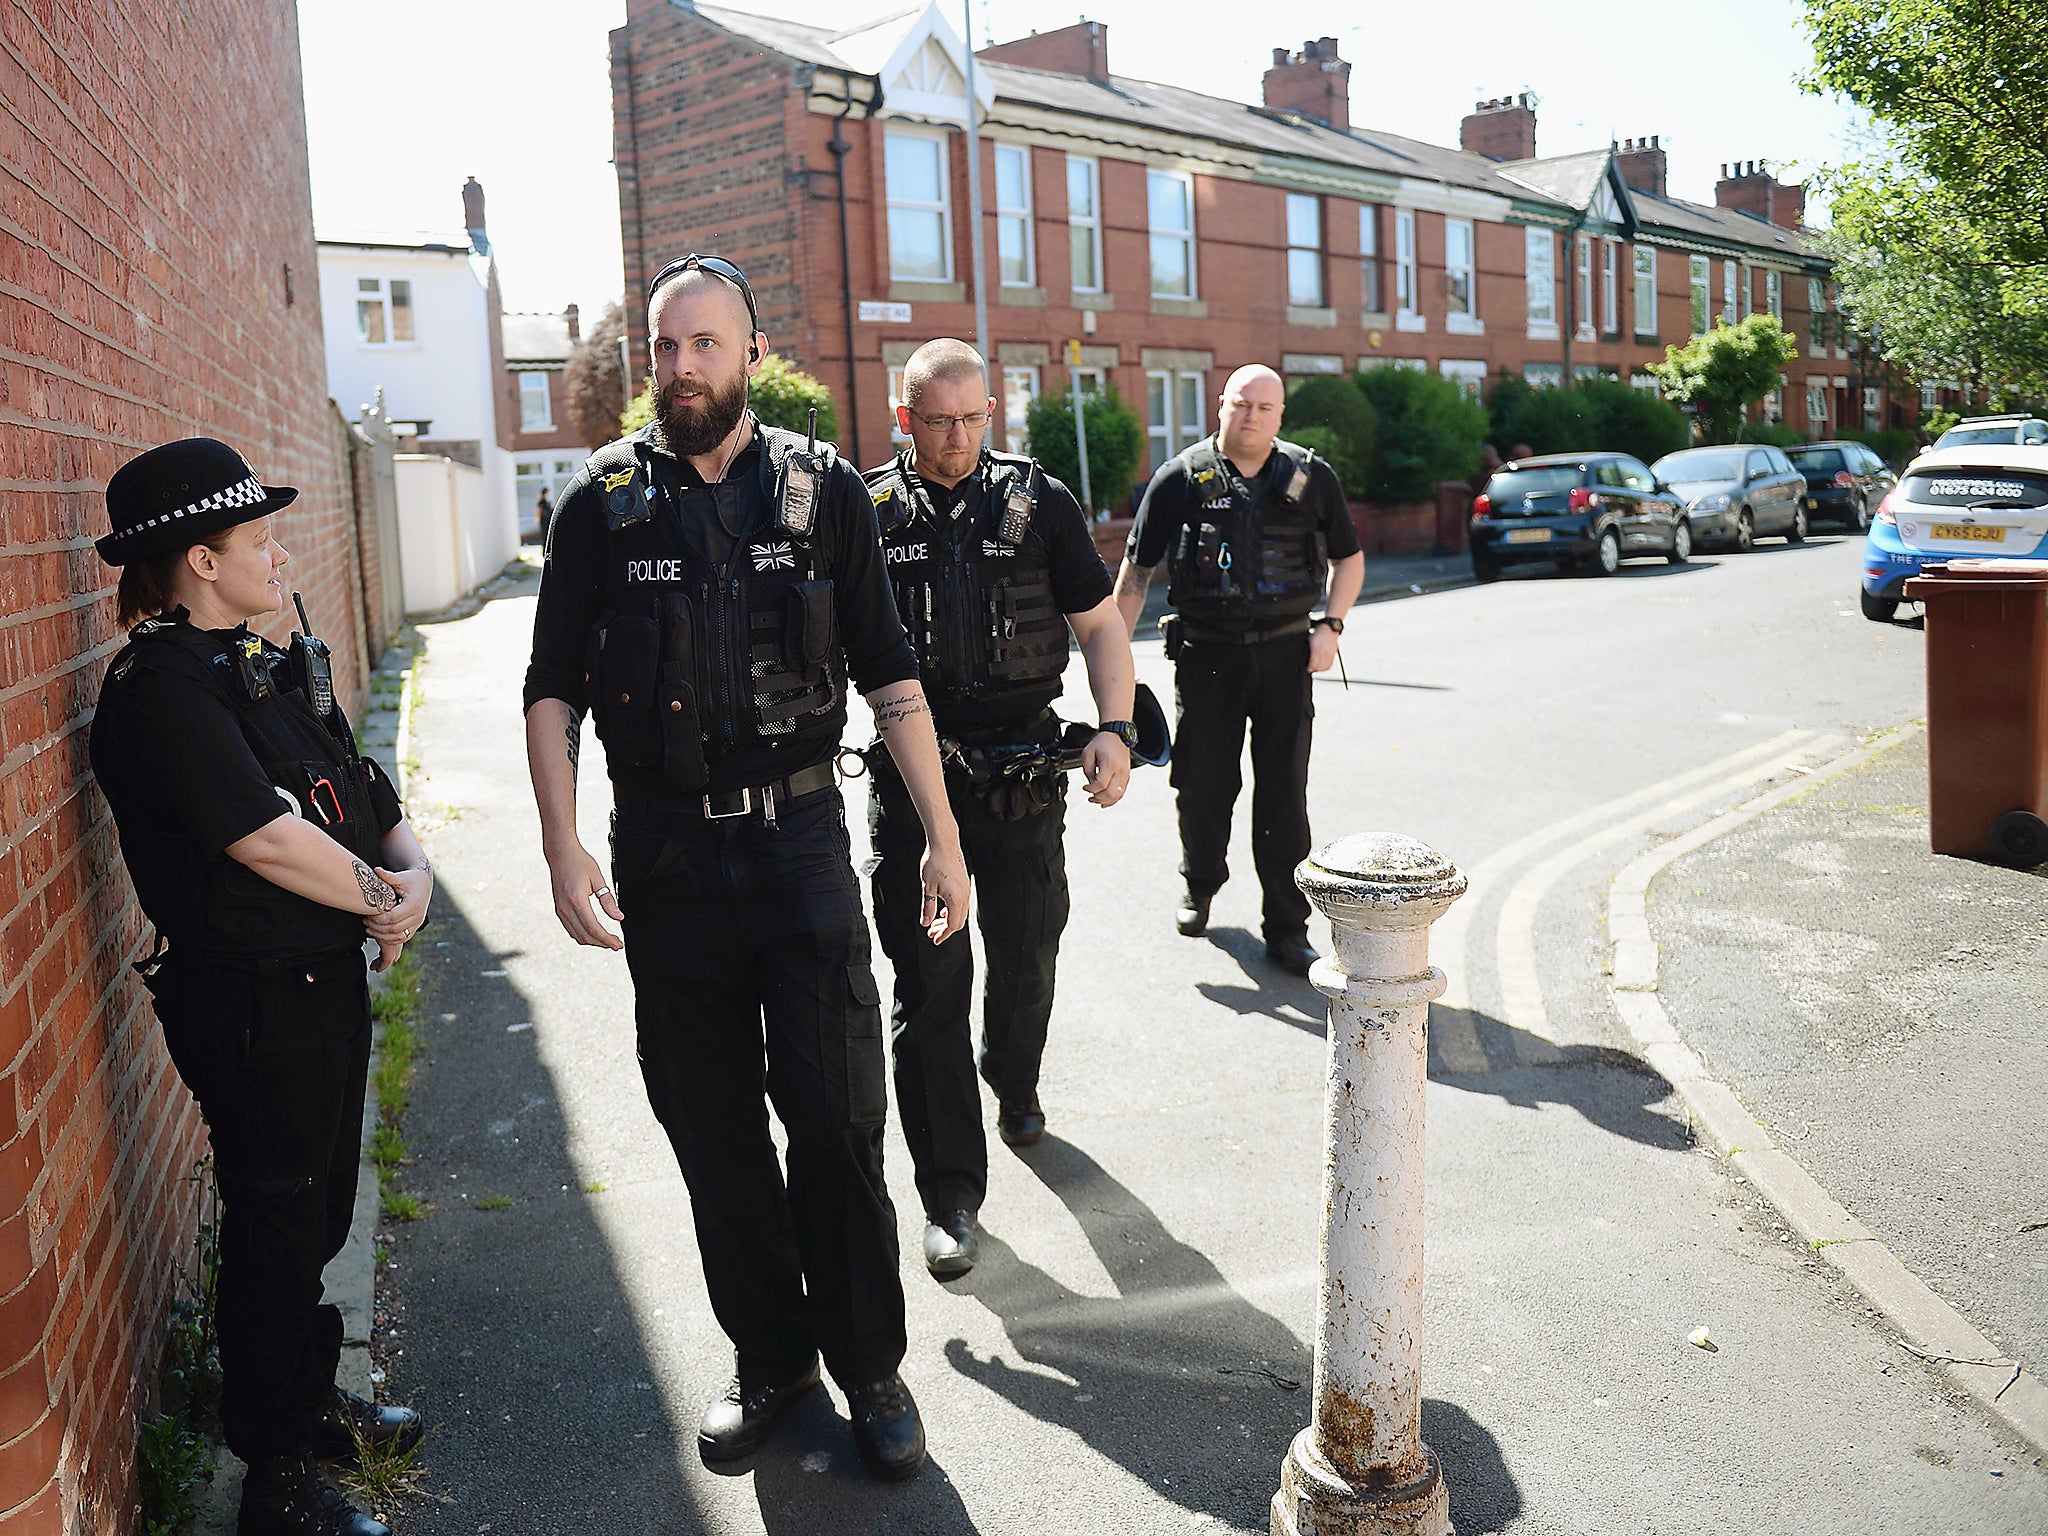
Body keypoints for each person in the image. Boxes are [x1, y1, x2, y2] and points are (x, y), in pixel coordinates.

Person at [522, 254, 969, 1480]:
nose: (678, 370)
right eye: (662, 350)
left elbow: (889, 676)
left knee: (833, 1120)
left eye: (701, 347)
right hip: (664, 855)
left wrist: (941, 834)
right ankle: (770, 1359)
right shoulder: (601, 505)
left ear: (749, 353)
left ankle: (870, 1367)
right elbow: (551, 687)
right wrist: (561, 846)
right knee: (709, 1124)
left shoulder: (823, 494)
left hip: (799, 845)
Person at [89, 438, 429, 1536]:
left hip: (318, 985)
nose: (278, 555)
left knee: (320, 1210)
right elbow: (263, 839)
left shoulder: (257, 659)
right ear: (198, 559)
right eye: (256, 540)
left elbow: (358, 783)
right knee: (276, 1224)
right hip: (249, 1003)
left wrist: (409, 869)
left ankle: (304, 1399)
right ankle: (273, 1478)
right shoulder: (160, 691)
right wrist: (385, 897)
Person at [862, 339, 1137, 1281]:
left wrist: (1115, 727)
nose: (959, 437)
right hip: (910, 784)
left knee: (1028, 955)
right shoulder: (865, 511)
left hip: (1023, 778)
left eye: (975, 418)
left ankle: (1013, 1079)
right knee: (928, 985)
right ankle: (950, 1196)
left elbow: (1101, 628)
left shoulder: (1039, 504)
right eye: (938, 421)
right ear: (905, 419)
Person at [1112, 364, 1364, 976]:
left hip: (1285, 656)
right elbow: (1136, 577)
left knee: (1283, 797)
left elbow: (1350, 559)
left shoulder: (1309, 478)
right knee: (1202, 788)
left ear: (1280, 417)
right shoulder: (1179, 479)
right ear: (1220, 406)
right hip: (1208, 659)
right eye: (1240, 404)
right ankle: (1199, 885)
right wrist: (1111, 666)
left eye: (1264, 408)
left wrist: (1330, 627)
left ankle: (1286, 928)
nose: (1250, 416)